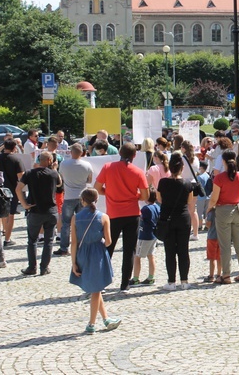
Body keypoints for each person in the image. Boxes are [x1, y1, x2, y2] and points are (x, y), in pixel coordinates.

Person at [94, 143, 150, 292]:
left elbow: (97, 188)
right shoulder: (138, 172)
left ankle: (101, 282)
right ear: (134, 155)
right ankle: (125, 284)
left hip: (113, 214)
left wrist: (110, 193)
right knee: (129, 250)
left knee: (108, 248)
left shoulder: (108, 167)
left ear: (119, 152)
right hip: (132, 214)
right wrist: (134, 195)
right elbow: (145, 196)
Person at [69, 188, 121, 335]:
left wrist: (74, 263)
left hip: (82, 254)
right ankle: (91, 324)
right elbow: (109, 241)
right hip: (97, 253)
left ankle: (106, 319)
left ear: (82, 200)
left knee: (96, 289)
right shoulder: (103, 217)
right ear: (97, 200)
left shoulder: (75, 218)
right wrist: (99, 242)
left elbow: (73, 242)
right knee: (96, 290)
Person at [205, 149, 239, 284]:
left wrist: (208, 210)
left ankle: (226, 274)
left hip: (223, 211)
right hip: (237, 210)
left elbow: (214, 198)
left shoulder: (219, 178)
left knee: (225, 245)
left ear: (223, 161)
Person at [16, 151, 61, 276]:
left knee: (32, 240)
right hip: (51, 211)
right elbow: (60, 183)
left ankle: (32, 267)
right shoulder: (53, 173)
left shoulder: (29, 173)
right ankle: (44, 267)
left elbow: (18, 188)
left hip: (35, 210)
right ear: (49, 161)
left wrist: (24, 204)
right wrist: (55, 168)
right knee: (49, 241)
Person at [156, 152, 194, 290]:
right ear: (182, 168)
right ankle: (184, 281)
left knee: (170, 251)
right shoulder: (187, 183)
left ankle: (171, 281)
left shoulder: (163, 182)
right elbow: (189, 201)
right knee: (184, 250)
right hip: (183, 218)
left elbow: (159, 199)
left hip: (167, 218)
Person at [55, 143, 93, 256]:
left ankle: (64, 248)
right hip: (82, 196)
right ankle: (82, 246)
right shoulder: (87, 165)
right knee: (82, 222)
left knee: (66, 223)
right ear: (82, 153)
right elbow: (89, 180)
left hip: (69, 196)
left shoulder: (64, 164)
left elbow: (61, 178)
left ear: (71, 152)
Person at [0, 139, 25, 248]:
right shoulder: (16, 159)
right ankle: (7, 239)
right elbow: (21, 176)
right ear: (14, 148)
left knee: (0, 213)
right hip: (11, 189)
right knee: (11, 215)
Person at [129, 188, 160, 286]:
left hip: (145, 235)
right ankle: (151, 277)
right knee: (150, 256)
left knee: (137, 256)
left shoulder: (146, 209)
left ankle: (135, 278)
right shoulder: (157, 207)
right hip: (154, 235)